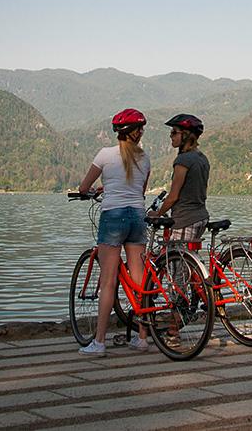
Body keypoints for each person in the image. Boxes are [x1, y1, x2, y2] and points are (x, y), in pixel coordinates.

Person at [77, 108, 151, 356]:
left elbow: (84, 186)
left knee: (108, 282)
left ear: (119, 133)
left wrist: (96, 191)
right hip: (138, 217)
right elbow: (139, 192)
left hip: (113, 216)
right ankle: (142, 337)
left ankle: (99, 341)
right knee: (139, 280)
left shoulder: (105, 155)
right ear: (136, 133)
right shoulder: (145, 158)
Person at [148, 114, 209, 241]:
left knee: (176, 258)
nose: (171, 135)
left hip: (185, 219)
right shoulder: (202, 158)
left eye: (174, 132)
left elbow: (173, 196)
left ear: (186, 135)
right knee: (188, 257)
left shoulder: (183, 160)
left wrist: (158, 214)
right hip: (201, 217)